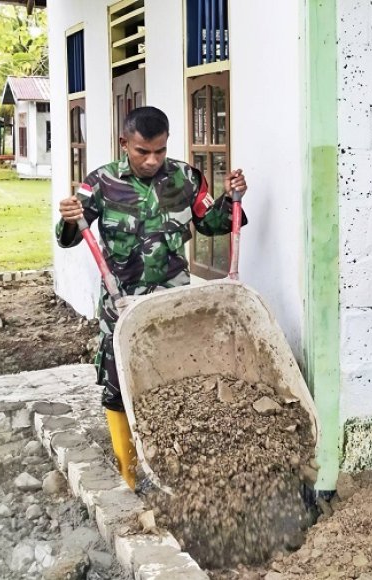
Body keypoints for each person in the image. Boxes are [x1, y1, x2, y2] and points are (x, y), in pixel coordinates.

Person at [55, 106, 247, 490]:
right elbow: (70, 238)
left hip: (171, 305)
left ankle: (171, 463)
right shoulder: (101, 184)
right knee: (117, 386)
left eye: (159, 150)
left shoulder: (186, 178)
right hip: (121, 306)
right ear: (125, 144)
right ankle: (128, 473)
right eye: (143, 151)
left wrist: (232, 198)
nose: (152, 159)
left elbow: (213, 225)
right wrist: (68, 217)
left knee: (173, 381)